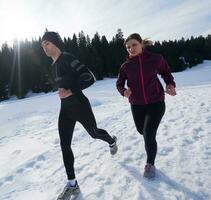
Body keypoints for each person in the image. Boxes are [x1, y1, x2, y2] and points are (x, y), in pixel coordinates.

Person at [41, 31, 118, 199]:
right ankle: (72, 184)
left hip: (81, 106)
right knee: (64, 145)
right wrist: (63, 91)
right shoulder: (53, 66)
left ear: (55, 43)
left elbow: (90, 78)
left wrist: (70, 90)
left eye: (46, 43)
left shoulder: (67, 58)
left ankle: (111, 141)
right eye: (42, 45)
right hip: (66, 110)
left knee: (94, 133)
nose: (44, 47)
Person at [116, 33, 176, 179]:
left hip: (156, 102)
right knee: (142, 131)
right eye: (128, 47)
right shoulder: (126, 66)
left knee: (148, 134)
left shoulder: (155, 59)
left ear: (141, 44)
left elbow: (166, 73)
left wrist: (170, 84)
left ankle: (150, 164)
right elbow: (119, 84)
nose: (131, 49)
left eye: (134, 45)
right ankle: (151, 140)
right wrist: (124, 91)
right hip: (137, 104)